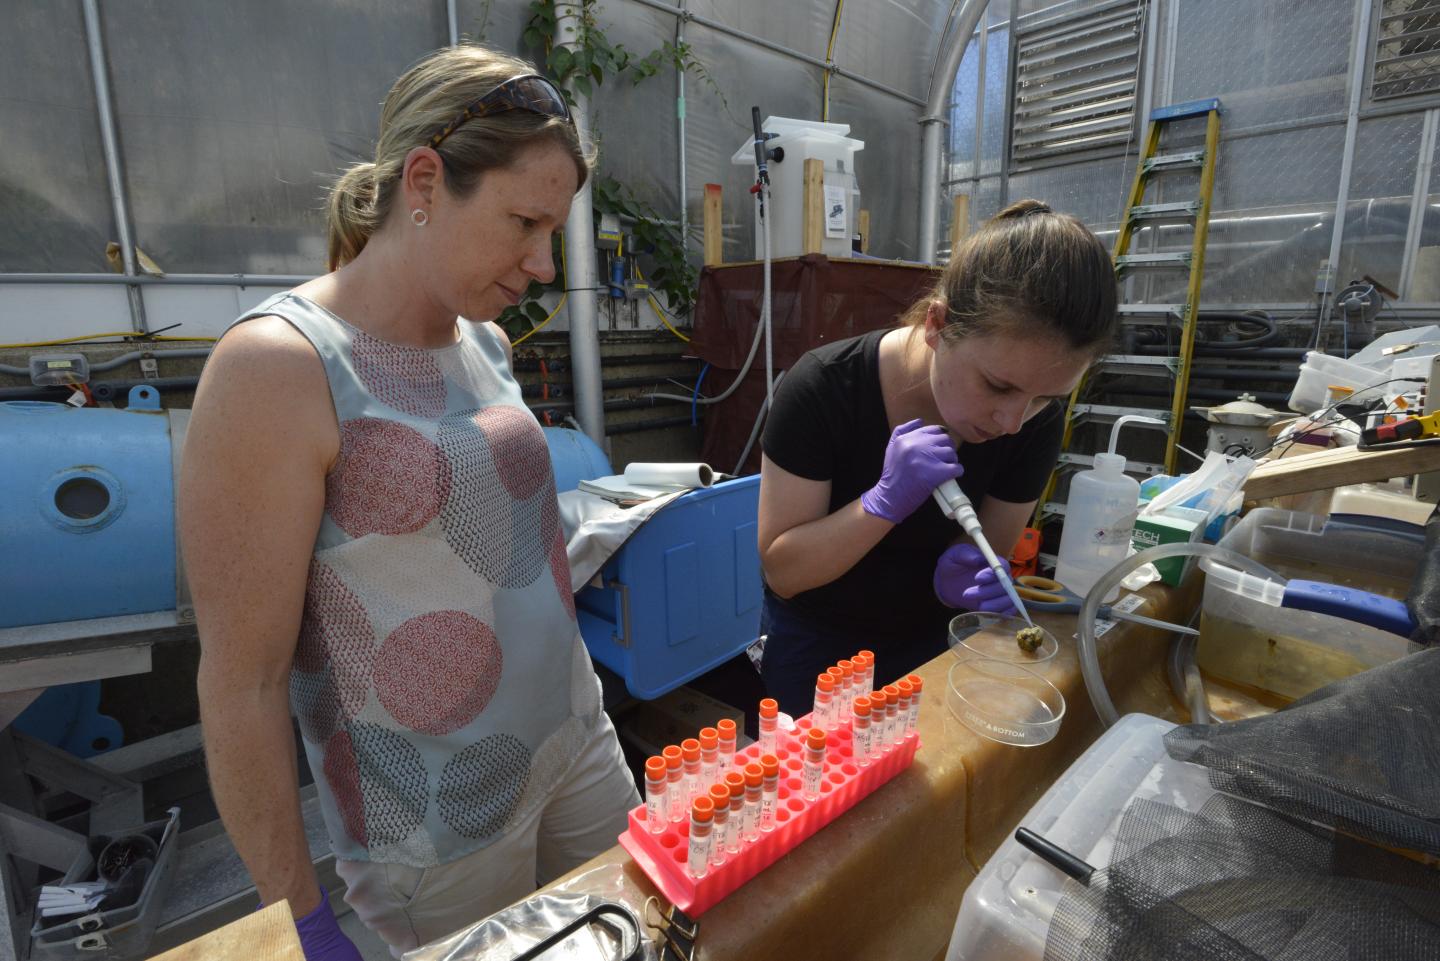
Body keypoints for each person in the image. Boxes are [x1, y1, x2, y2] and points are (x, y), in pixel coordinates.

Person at [179, 44, 638, 960]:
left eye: (554, 231)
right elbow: (243, 684)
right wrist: (298, 915)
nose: (544, 264)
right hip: (436, 825)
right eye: (524, 222)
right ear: (424, 179)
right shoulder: (280, 366)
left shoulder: (484, 338)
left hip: (576, 745)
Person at [756, 200, 1119, 715]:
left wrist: (960, 582)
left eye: (1046, 398)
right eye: (997, 386)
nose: (1012, 421)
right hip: (819, 645)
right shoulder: (822, 389)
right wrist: (881, 504)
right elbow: (784, 573)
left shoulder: (1032, 417)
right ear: (937, 324)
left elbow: (989, 547)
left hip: (931, 641)